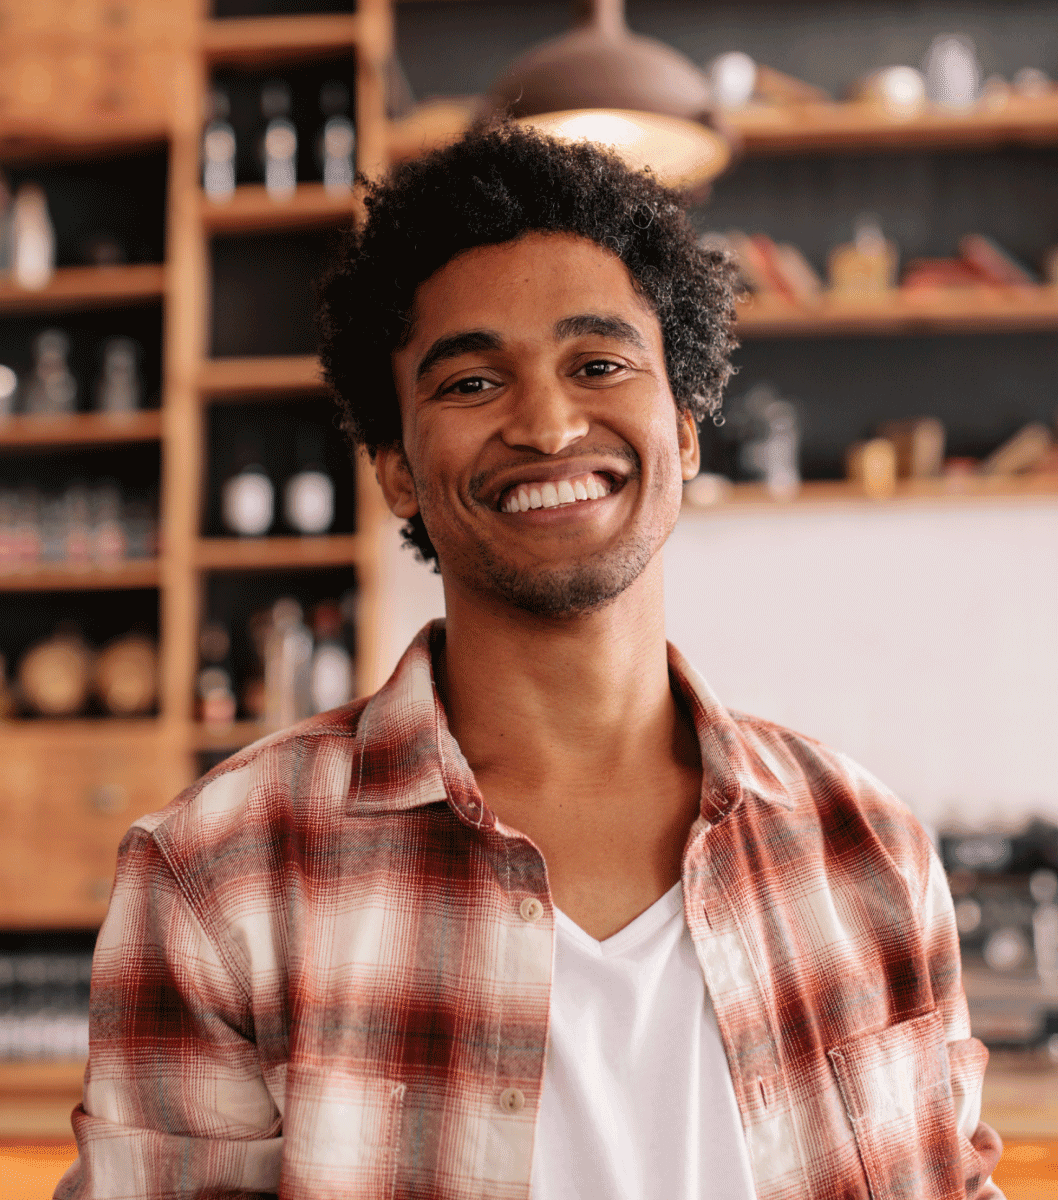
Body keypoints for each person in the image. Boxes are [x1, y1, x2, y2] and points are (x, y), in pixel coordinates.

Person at [57, 123, 1003, 1200]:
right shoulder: (219, 879)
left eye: (597, 364)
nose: (548, 424)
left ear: (685, 429)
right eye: (468, 384)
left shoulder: (868, 854)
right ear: (396, 471)